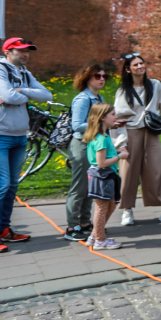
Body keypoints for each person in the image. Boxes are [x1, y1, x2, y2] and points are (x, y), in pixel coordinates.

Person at [0, 38, 52, 252]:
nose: (25, 54)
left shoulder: (24, 73)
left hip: (20, 136)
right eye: (20, 51)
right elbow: (8, 96)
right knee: (1, 184)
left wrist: (20, 91)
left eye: (28, 51)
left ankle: (3, 229)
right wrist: (19, 93)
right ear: (7, 51)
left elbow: (46, 95)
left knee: (12, 185)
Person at [113, 54, 161, 226]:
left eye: (141, 63)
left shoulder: (155, 85)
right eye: (135, 65)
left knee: (156, 170)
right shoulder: (123, 91)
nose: (140, 67)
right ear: (128, 69)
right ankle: (127, 210)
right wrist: (120, 144)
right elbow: (118, 118)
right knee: (128, 173)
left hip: (151, 132)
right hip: (131, 132)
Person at [64, 63, 109, 242]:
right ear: (87, 78)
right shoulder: (83, 99)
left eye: (104, 76)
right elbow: (77, 125)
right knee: (79, 187)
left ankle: (84, 222)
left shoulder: (98, 97)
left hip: (92, 145)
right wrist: (102, 124)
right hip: (81, 145)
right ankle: (71, 227)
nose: (102, 79)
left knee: (90, 186)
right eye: (97, 76)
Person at [84, 102, 127, 250]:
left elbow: (105, 155)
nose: (116, 117)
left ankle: (94, 236)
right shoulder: (101, 139)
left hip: (107, 176)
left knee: (112, 203)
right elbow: (101, 163)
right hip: (102, 176)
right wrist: (120, 156)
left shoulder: (104, 136)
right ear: (102, 117)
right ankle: (100, 241)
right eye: (113, 114)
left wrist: (117, 152)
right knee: (101, 208)